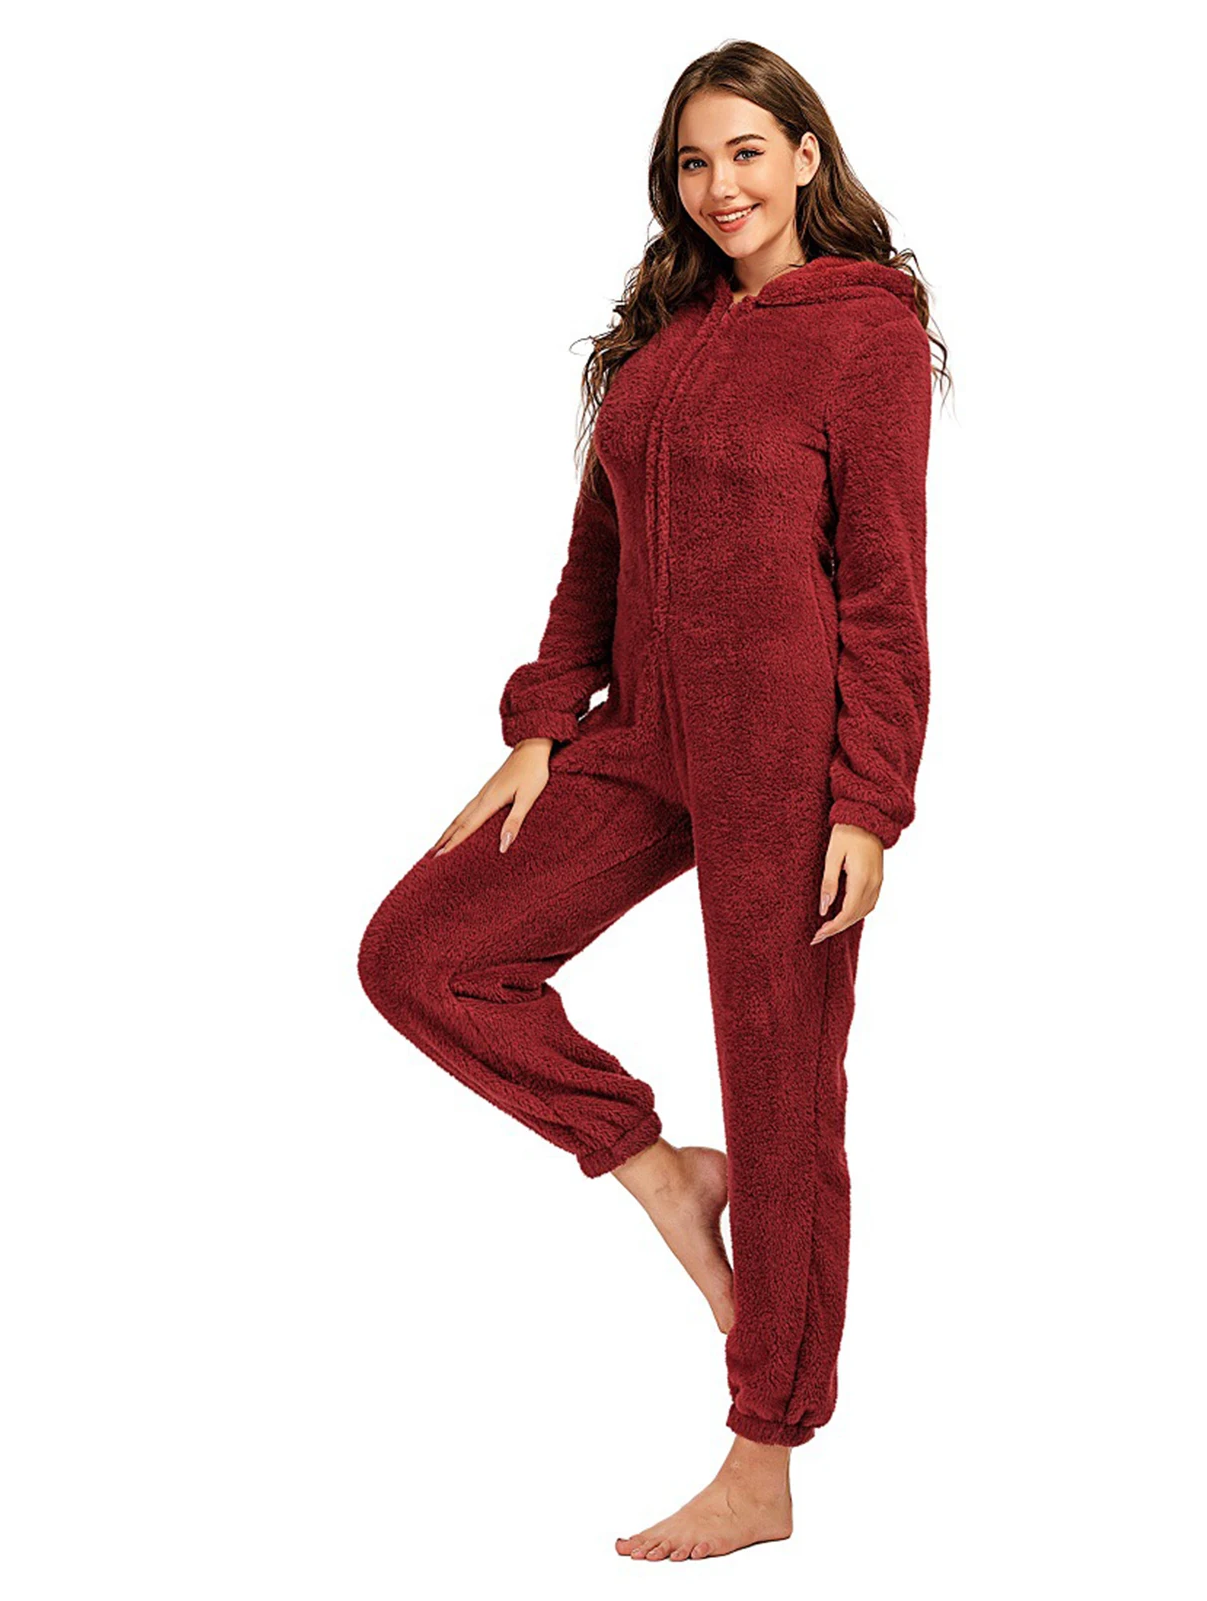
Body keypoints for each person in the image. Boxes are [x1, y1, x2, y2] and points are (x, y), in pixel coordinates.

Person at [358, 41, 946, 1561]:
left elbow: (886, 587)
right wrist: (544, 725)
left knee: (783, 1092)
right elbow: (594, 559)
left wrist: (868, 800)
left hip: (787, 751)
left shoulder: (864, 333)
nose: (721, 186)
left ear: (807, 154)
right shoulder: (661, 343)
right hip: (643, 733)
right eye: (695, 162)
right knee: (421, 955)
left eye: (747, 151)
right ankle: (657, 1169)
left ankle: (766, 1456)